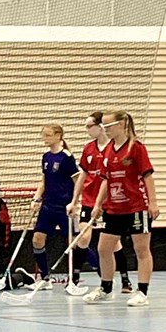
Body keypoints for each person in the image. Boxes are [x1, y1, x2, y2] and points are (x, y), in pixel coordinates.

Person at [83, 110, 160, 307]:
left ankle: (142, 292)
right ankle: (106, 288)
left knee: (141, 249)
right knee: (103, 248)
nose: (106, 130)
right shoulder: (108, 150)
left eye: (108, 126)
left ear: (121, 124)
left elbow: (147, 176)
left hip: (136, 207)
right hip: (114, 208)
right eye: (103, 127)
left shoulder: (136, 148)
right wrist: (98, 204)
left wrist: (153, 202)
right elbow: (105, 180)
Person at [67, 112, 133, 294]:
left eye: (90, 126)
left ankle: (125, 280)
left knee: (114, 243)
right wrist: (74, 200)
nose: (87, 130)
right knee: (83, 237)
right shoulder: (89, 148)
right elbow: (82, 176)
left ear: (100, 127)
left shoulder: (115, 148)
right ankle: (74, 279)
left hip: (110, 202)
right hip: (90, 200)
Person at [27, 123, 79, 290]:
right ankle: (45, 278)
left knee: (75, 243)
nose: (45, 138)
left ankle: (97, 273)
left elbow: (78, 181)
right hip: (48, 206)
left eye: (48, 135)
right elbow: (44, 181)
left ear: (58, 136)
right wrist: (36, 198)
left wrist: (75, 202)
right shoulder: (46, 157)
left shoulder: (66, 157)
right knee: (37, 239)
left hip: (64, 207)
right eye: (43, 135)